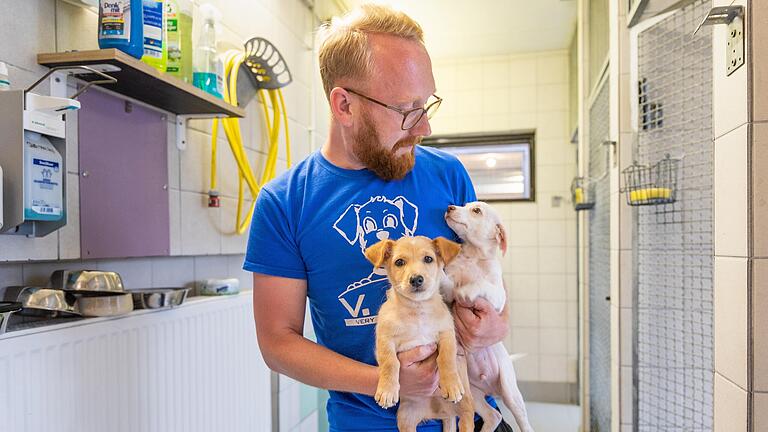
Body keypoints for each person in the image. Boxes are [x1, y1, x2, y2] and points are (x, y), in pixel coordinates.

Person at [244, 4, 511, 431]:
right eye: (407, 108)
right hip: (369, 421)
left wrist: (497, 323)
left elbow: (485, 279)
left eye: (427, 104)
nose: (423, 127)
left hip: (471, 413)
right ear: (344, 105)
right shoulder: (284, 203)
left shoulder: (449, 175)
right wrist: (387, 381)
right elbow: (278, 343)